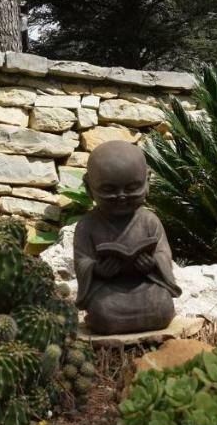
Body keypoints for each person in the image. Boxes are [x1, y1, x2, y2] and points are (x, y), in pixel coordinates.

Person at [74, 140, 180, 334]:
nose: (121, 196)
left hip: (145, 286)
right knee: (102, 312)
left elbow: (164, 253)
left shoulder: (149, 220)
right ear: (89, 187)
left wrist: (153, 263)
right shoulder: (87, 225)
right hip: (109, 290)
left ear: (147, 182)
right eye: (109, 190)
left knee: (162, 304)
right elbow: (82, 261)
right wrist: (97, 269)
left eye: (132, 188)